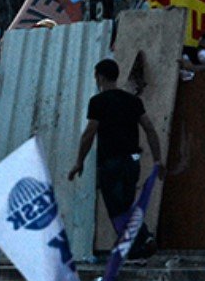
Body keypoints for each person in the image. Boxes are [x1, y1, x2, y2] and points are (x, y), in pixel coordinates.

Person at [70, 58, 163, 257]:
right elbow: (149, 129)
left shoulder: (98, 102)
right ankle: (135, 246)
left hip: (111, 162)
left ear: (99, 76)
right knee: (125, 204)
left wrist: (79, 161)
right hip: (132, 161)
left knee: (116, 207)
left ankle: (141, 240)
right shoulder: (132, 101)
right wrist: (157, 159)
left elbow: (89, 133)